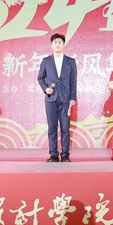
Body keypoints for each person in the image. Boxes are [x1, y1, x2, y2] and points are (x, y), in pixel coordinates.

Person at [37, 33, 78, 162]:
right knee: (52, 127)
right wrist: (45, 89)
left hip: (66, 100)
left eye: (60, 42)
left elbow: (73, 81)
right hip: (51, 99)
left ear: (63, 44)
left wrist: (73, 98)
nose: (57, 44)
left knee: (65, 128)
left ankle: (65, 154)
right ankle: (53, 154)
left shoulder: (70, 61)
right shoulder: (46, 61)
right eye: (55, 42)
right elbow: (40, 78)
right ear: (51, 45)